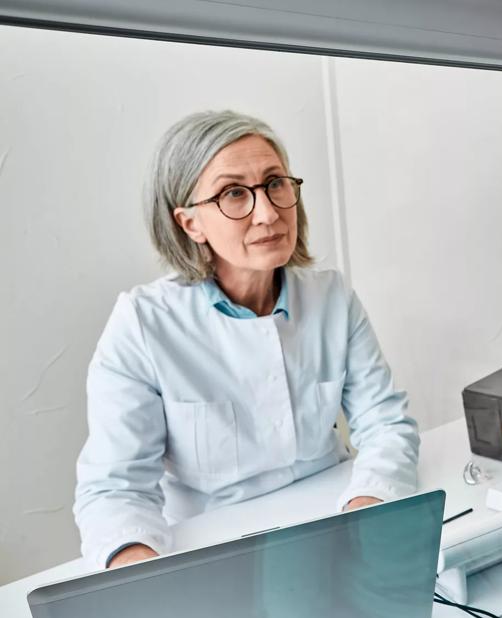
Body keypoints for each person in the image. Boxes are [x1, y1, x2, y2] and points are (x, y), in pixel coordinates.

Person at [73, 110, 420, 570]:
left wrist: (370, 506)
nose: (268, 212)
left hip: (335, 525)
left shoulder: (332, 297)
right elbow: (115, 490)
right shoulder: (142, 324)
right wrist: (144, 576)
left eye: (275, 183)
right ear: (189, 223)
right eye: (234, 193)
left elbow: (385, 424)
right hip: (215, 551)